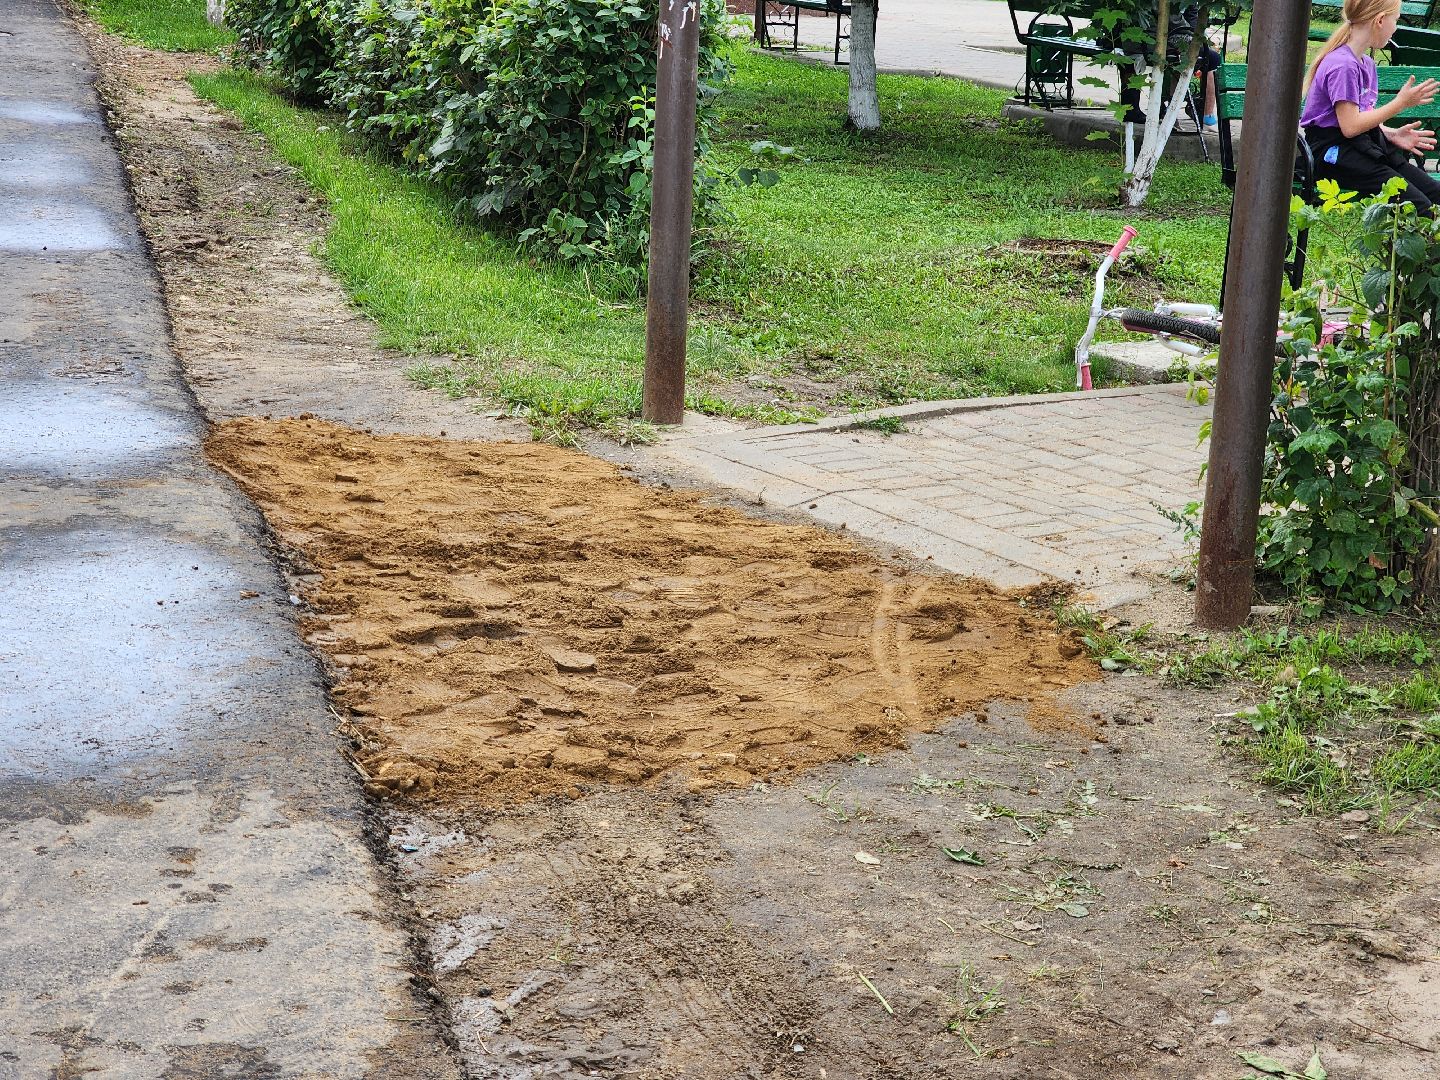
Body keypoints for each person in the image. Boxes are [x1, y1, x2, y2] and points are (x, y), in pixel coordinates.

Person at [1301, 0, 1440, 212]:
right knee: (1419, 207)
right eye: (1395, 20)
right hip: (1334, 154)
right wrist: (1400, 103)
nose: (1395, 28)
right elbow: (1350, 127)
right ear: (1380, 20)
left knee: (1434, 193)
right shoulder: (1343, 65)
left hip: (1360, 146)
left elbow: (1361, 118)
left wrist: (1391, 134)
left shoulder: (1366, 64)